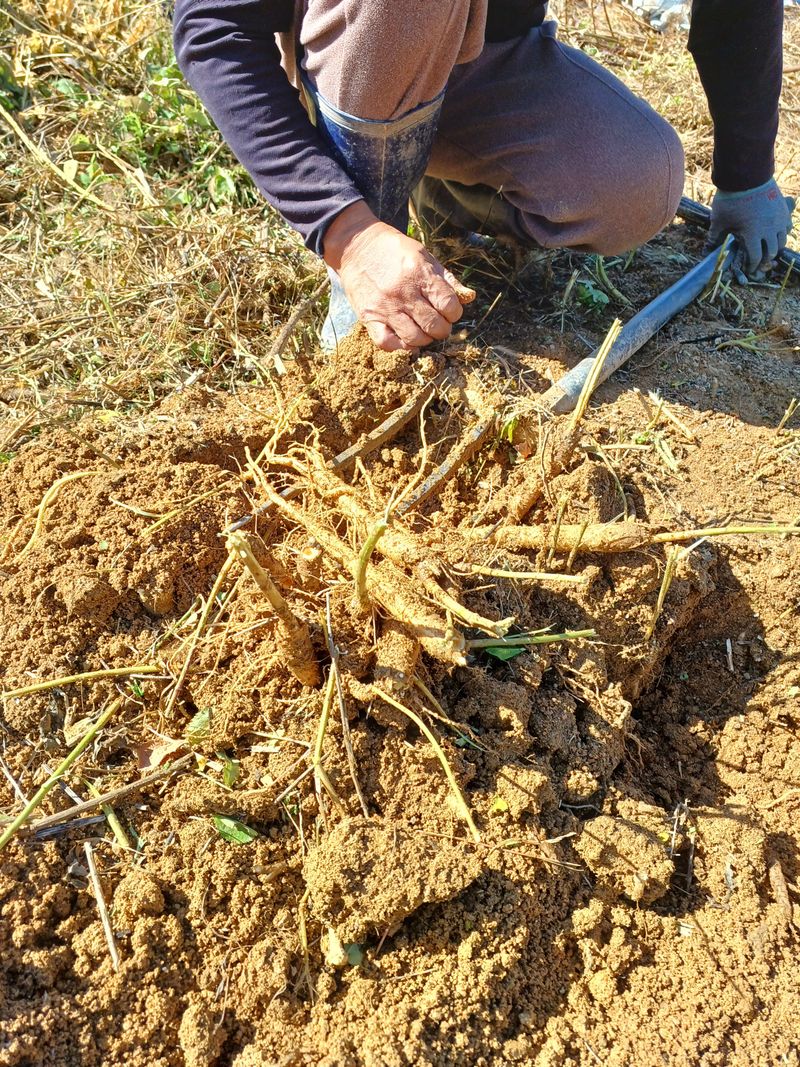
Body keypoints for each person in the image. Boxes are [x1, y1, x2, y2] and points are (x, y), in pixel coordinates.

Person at [172, 0, 793, 352]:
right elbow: (213, 27)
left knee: (637, 183)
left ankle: (440, 189)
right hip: (359, 49)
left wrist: (747, 176)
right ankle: (370, 273)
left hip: (486, 52)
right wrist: (349, 236)